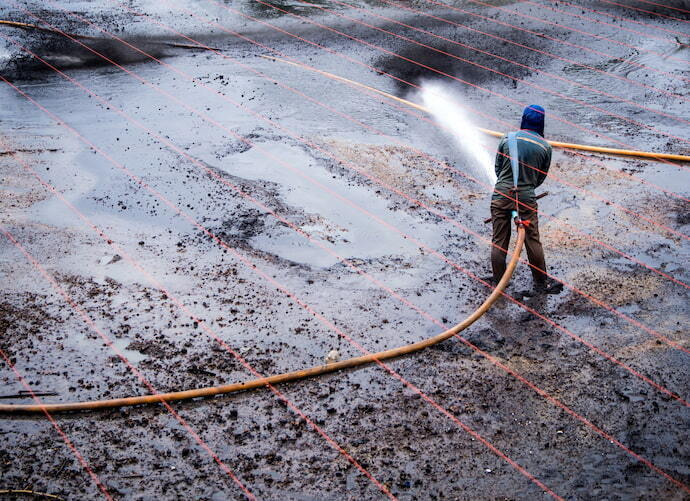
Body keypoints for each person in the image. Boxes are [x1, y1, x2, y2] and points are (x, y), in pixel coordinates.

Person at [489, 104, 562, 295]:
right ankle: (540, 283)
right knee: (532, 239)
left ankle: (499, 282)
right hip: (526, 198)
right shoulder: (545, 147)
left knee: (499, 240)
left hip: (501, 195)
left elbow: (498, 170)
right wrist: (525, 188)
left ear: (523, 119)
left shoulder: (508, 138)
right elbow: (540, 177)